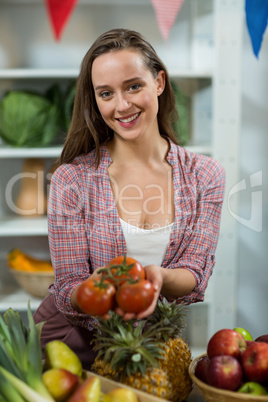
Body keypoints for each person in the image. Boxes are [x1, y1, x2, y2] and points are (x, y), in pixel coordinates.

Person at [34, 28, 225, 370]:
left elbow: (196, 273)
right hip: (69, 347)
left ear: (159, 83)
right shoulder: (71, 180)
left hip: (148, 352)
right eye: (106, 93)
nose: (122, 105)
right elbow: (67, 288)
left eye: (134, 86)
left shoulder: (206, 176)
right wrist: (96, 288)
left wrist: (159, 277)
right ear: (95, 100)